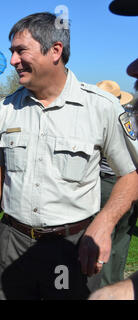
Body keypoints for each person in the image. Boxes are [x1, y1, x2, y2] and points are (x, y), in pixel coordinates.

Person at [0, 12, 138, 300]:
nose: (12, 60)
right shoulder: (4, 110)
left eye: (21, 50)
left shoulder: (101, 107)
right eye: (12, 51)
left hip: (71, 246)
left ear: (55, 51)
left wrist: (103, 223)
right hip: (14, 241)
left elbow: (131, 174)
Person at [95, 80, 137, 288]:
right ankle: (112, 282)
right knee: (120, 238)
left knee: (103, 235)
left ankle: (102, 284)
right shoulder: (129, 121)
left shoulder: (95, 119)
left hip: (106, 182)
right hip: (125, 180)